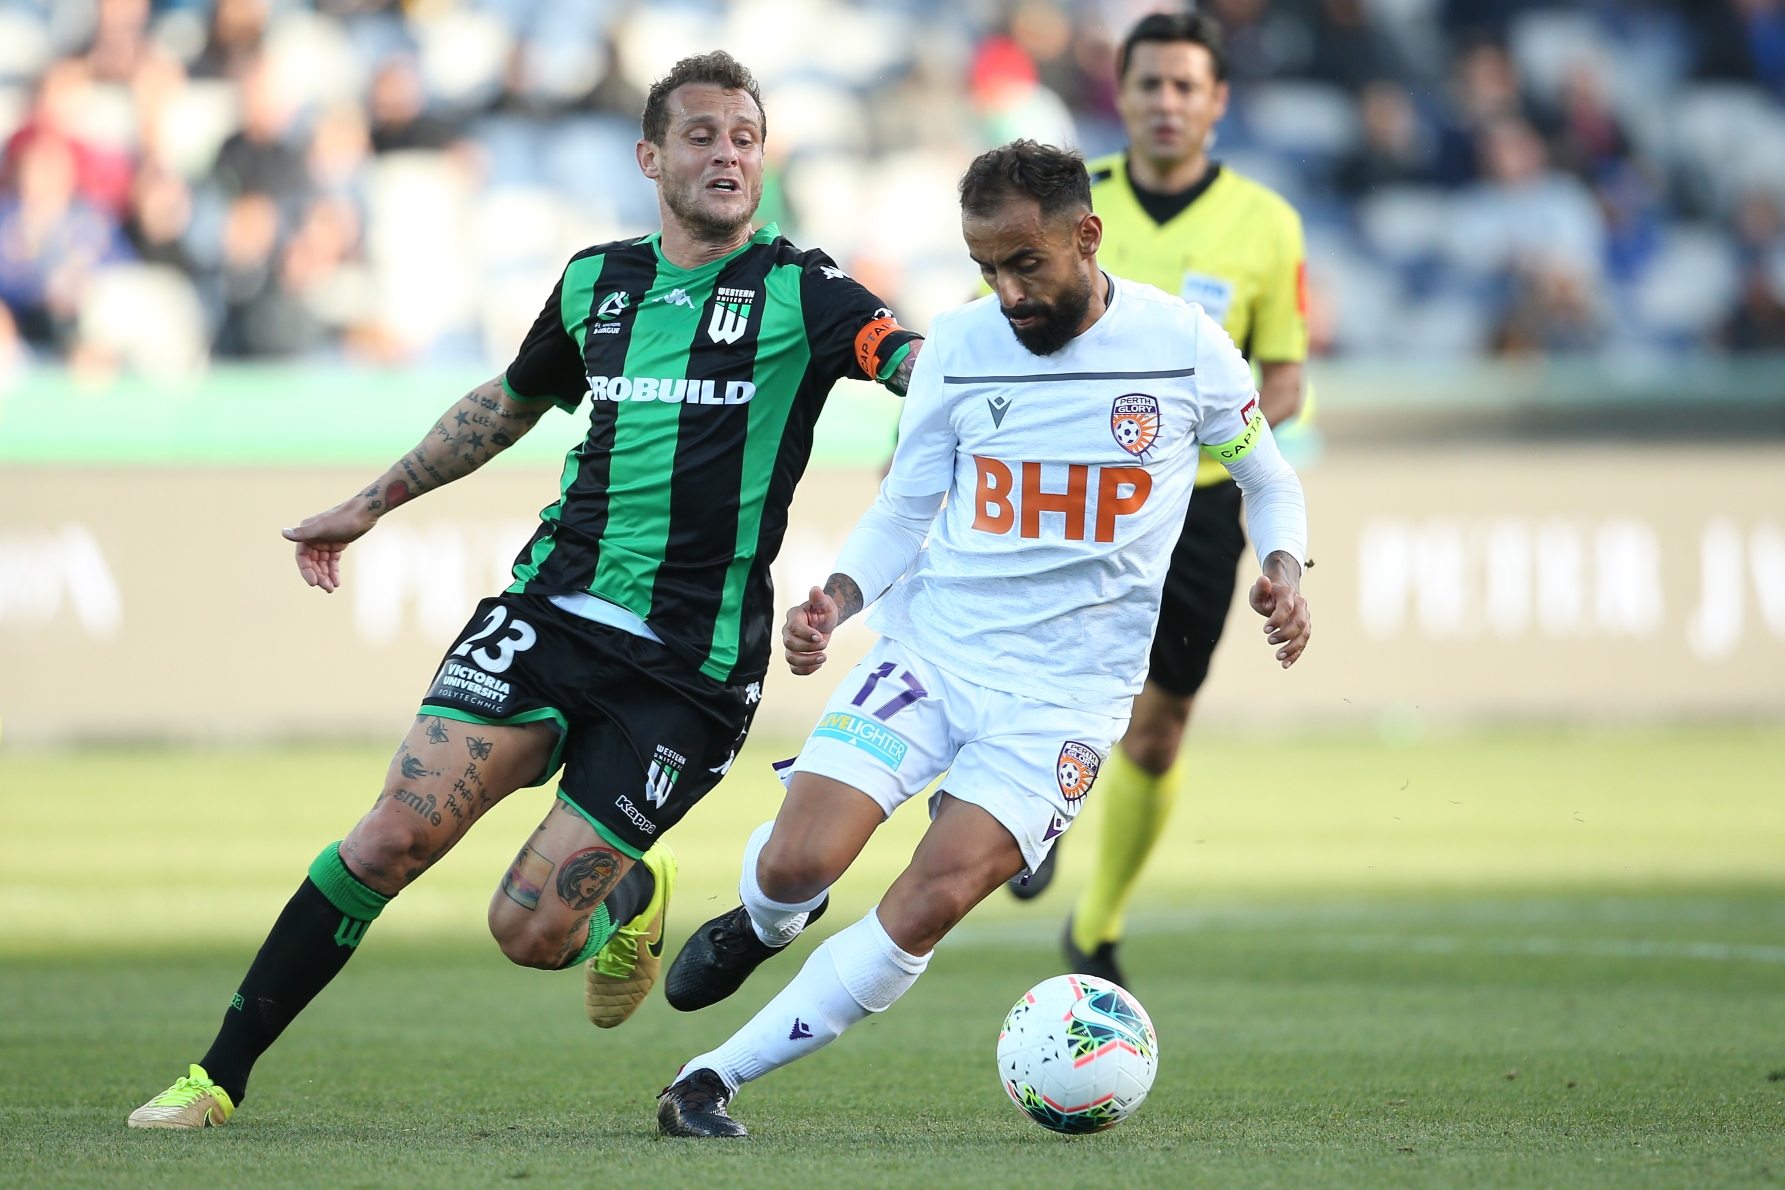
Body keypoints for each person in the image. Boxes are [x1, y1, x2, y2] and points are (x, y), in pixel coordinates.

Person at [126, 50, 922, 1130]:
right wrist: (371, 502)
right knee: (389, 838)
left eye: (745, 137)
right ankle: (216, 1075)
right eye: (702, 135)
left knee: (529, 934)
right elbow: (508, 401)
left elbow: (917, 363)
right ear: (650, 156)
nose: (729, 155)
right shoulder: (598, 281)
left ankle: (626, 894)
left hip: (685, 673)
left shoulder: (805, 289)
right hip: (547, 610)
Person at [653, 140, 1310, 1138]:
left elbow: (1266, 476)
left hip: (1068, 701)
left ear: (1086, 236)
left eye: (1024, 263)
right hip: (932, 656)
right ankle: (766, 918)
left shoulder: (1186, 349)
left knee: (926, 900)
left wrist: (1285, 566)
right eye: (985, 267)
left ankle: (709, 1077)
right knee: (799, 864)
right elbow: (902, 508)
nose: (1005, 291)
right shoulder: (959, 347)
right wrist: (836, 593)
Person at [1030, 12, 1312, 989]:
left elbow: (1284, 381)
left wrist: (1223, 431)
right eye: (1149, 84)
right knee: (1036, 675)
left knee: (1160, 722)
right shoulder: (1065, 204)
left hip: (1191, 507)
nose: (1166, 103)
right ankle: (1027, 814)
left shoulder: (1267, 224)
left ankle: (1095, 922)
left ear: (1217, 101)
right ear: (1124, 90)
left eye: (1187, 86)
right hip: (1071, 491)